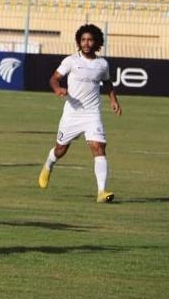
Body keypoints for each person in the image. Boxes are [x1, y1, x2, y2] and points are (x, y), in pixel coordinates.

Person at [38, 24, 122, 203]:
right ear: (78, 41)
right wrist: (57, 89)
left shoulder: (102, 64)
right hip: (72, 113)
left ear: (96, 42)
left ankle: (101, 192)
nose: (86, 43)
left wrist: (113, 100)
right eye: (83, 40)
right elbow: (54, 78)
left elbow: (107, 83)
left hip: (92, 114)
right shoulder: (71, 61)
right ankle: (48, 165)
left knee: (99, 147)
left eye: (90, 39)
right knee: (61, 149)